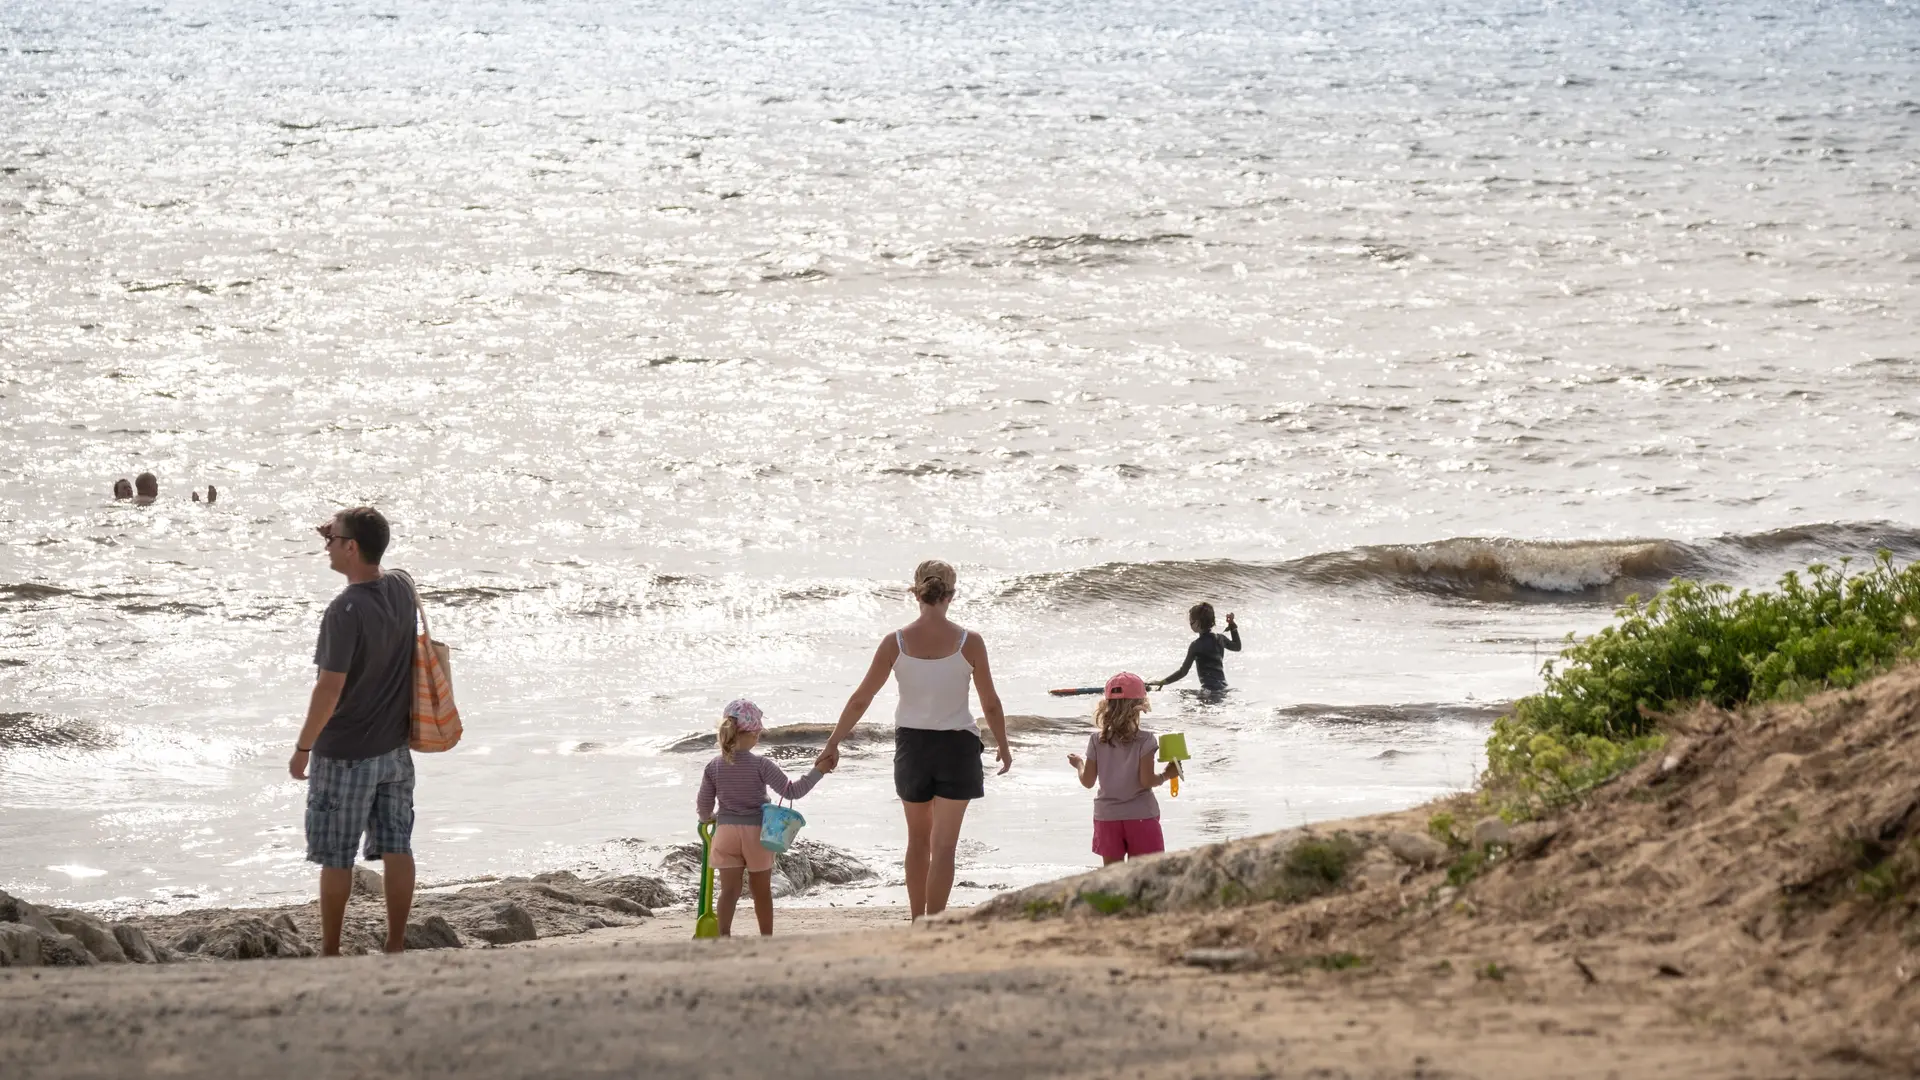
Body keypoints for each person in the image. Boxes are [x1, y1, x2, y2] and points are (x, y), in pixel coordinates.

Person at [816, 560, 1010, 919]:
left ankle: (917, 921)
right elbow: (991, 703)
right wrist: (1003, 745)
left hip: (913, 748)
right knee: (945, 846)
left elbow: (861, 698)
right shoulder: (971, 642)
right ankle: (934, 926)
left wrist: (833, 742)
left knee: (918, 842)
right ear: (951, 594)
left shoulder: (897, 642)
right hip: (957, 747)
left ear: (915, 591)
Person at [288, 507, 419, 956]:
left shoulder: (344, 609)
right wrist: (347, 530)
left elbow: (329, 688)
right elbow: (386, 563)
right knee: (398, 846)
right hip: (395, 750)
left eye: (333, 538)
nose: (325, 543)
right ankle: (396, 945)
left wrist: (303, 747)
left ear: (351, 547)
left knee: (335, 856)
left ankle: (330, 950)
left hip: (345, 753)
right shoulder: (402, 587)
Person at [695, 699, 830, 936]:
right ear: (749, 734)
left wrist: (709, 818)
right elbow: (792, 792)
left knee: (729, 891)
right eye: (757, 733)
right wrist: (818, 772)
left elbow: (704, 805)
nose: (758, 737)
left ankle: (723, 935)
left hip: (725, 832)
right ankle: (766, 938)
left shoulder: (713, 766)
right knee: (761, 892)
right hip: (757, 834)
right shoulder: (761, 764)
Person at [1067, 672, 1178, 865]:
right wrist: (1167, 775)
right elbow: (1146, 781)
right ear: (1140, 707)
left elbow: (1088, 782)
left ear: (1107, 706)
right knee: (1144, 875)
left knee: (1113, 878)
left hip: (1107, 818)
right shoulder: (1146, 739)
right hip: (1141, 816)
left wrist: (1079, 764)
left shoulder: (1096, 740)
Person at [1155, 603, 1241, 694]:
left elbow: (1183, 672)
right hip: (1223, 689)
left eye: (1191, 621)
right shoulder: (1220, 638)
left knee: (1180, 694)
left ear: (1197, 622)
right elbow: (1237, 647)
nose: (1190, 624)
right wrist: (1232, 625)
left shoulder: (1196, 645)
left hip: (1209, 691)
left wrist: (1162, 682)